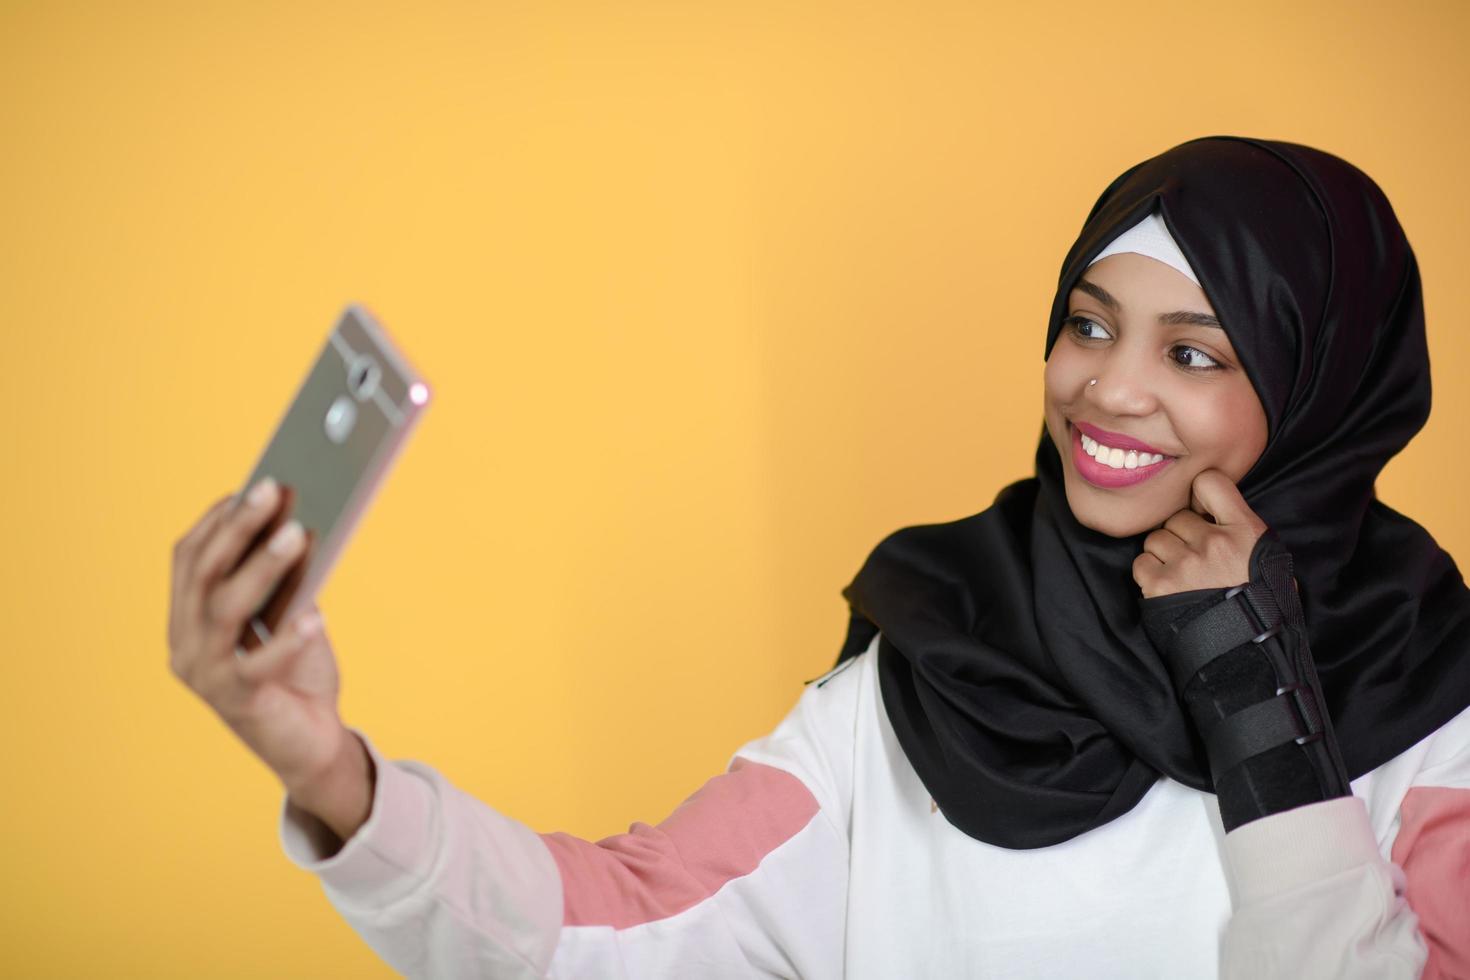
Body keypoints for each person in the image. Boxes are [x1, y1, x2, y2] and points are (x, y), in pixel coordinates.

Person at [169, 136, 1470, 979]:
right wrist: (330, 772)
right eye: (1085, 323)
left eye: (1191, 352)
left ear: (1315, 397)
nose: (1104, 390)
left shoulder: (1430, 712)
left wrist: (1256, 700)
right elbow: (620, 929)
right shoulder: (940, 662)